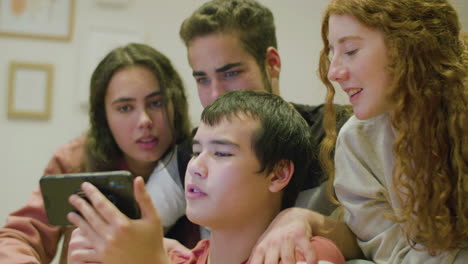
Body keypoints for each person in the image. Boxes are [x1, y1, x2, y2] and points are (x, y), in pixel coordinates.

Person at [251, 0, 468, 263]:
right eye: (332, 52)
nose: (333, 72)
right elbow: (391, 251)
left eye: (351, 50)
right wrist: (299, 216)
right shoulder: (357, 140)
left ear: (409, 45)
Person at [66, 90, 346, 264]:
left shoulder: (303, 255)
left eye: (222, 153)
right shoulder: (173, 257)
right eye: (197, 150)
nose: (195, 166)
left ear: (278, 174)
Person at [0, 43, 192, 264]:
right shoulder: (75, 160)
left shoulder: (201, 162)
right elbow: (18, 237)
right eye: (125, 108)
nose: (144, 121)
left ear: (175, 104)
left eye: (156, 103)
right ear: (103, 117)